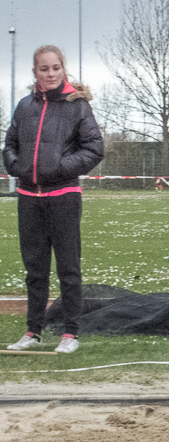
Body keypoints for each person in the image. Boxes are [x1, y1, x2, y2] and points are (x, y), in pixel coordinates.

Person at [3, 45, 104, 354]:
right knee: (35, 268)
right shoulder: (23, 106)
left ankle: (70, 334)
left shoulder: (78, 106)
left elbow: (94, 148)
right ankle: (33, 331)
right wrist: (17, 166)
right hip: (28, 199)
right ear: (35, 72)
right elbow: (10, 145)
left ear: (63, 69)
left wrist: (60, 169)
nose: (50, 73)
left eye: (55, 68)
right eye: (44, 69)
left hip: (63, 198)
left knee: (68, 269)